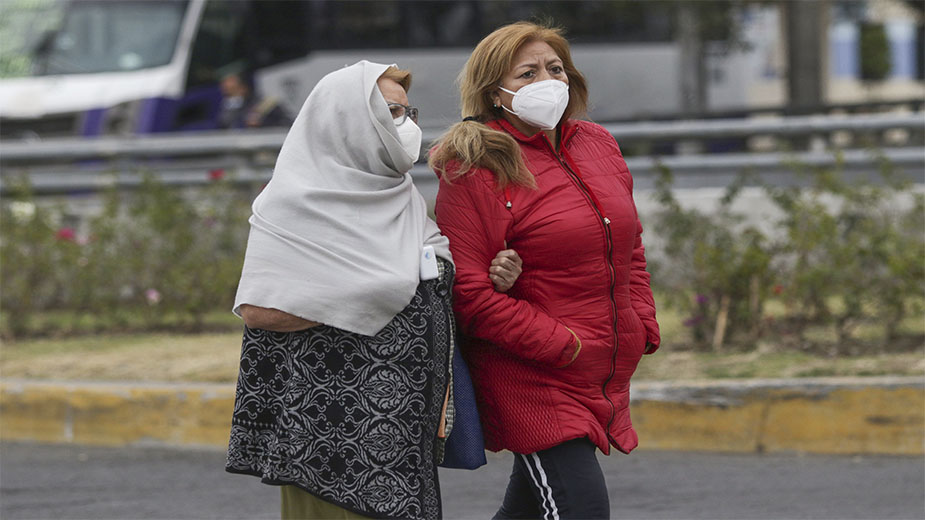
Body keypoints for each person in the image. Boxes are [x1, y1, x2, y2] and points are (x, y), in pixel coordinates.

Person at [224, 60, 522, 520]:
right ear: (346, 119)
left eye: (407, 112)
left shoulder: (400, 195)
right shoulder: (292, 200)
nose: (404, 125)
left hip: (401, 435)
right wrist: (373, 291)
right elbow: (260, 310)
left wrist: (487, 273)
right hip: (327, 442)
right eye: (389, 112)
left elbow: (425, 283)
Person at [430, 22, 660, 520]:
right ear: (496, 91)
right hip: (532, 372)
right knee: (580, 508)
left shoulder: (597, 144)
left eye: (554, 69)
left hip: (600, 362)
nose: (546, 82)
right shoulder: (474, 165)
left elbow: (629, 248)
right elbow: (469, 293)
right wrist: (563, 345)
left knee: (531, 509)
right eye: (527, 72)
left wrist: (642, 321)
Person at [217, 62, 293, 129]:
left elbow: (287, 123)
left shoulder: (264, 104)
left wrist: (263, 124)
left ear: (243, 88)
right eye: (224, 88)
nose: (225, 88)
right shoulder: (221, 107)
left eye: (232, 88)